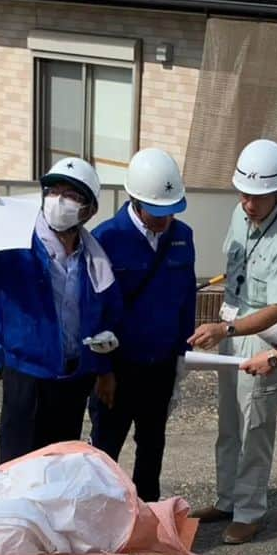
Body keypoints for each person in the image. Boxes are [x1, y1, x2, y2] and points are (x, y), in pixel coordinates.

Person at [0, 157, 122, 465]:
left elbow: (105, 318)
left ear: (90, 210)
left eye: (71, 195)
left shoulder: (94, 258)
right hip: (27, 376)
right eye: (53, 190)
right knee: (17, 469)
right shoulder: (16, 245)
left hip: (73, 378)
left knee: (57, 468)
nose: (59, 200)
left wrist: (104, 369)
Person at [186, 139, 277, 545]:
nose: (248, 203)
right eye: (244, 193)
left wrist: (227, 331)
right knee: (229, 424)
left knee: (255, 425)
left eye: (258, 196)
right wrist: (222, 326)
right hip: (231, 323)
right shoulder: (240, 216)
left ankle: (250, 510)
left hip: (260, 336)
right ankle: (227, 499)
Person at [88, 148, 197, 501]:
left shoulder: (183, 237)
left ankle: (149, 522)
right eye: (158, 211)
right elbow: (95, 312)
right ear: (134, 199)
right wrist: (103, 371)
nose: (165, 220)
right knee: (105, 452)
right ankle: (102, 523)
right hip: (118, 369)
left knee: (152, 448)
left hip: (161, 367)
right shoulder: (107, 238)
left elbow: (186, 299)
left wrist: (183, 354)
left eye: (171, 211)